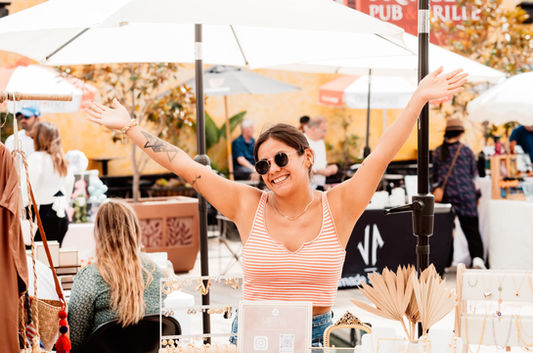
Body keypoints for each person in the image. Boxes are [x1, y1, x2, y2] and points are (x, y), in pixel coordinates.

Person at [85, 67, 467, 346]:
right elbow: (184, 165)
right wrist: (129, 127)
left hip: (318, 336)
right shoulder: (247, 203)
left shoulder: (340, 205)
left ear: (306, 157)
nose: (272, 170)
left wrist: (417, 98)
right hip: (251, 334)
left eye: (281, 159)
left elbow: (382, 153)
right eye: (263, 164)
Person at [68, 200, 164, 352]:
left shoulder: (90, 277)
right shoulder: (156, 272)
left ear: (98, 232)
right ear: (134, 230)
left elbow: (74, 339)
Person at [432, 117, 486, 270]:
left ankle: (444, 262)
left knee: (445, 231)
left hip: (447, 197)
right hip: (466, 195)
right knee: (472, 230)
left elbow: (435, 178)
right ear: (461, 132)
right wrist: (478, 195)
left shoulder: (438, 151)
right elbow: (474, 177)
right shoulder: (466, 151)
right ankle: (477, 259)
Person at [27, 122, 74, 246]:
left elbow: (28, 189)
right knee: (54, 261)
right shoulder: (62, 160)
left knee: (37, 262)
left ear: (38, 138)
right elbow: (68, 190)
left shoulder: (36, 158)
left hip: (40, 216)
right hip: (61, 214)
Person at [305, 116, 338, 190]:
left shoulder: (320, 142)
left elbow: (321, 164)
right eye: (324, 130)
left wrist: (330, 168)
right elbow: (299, 170)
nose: (326, 134)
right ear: (313, 129)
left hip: (319, 187)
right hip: (306, 189)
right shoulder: (302, 143)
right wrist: (318, 172)